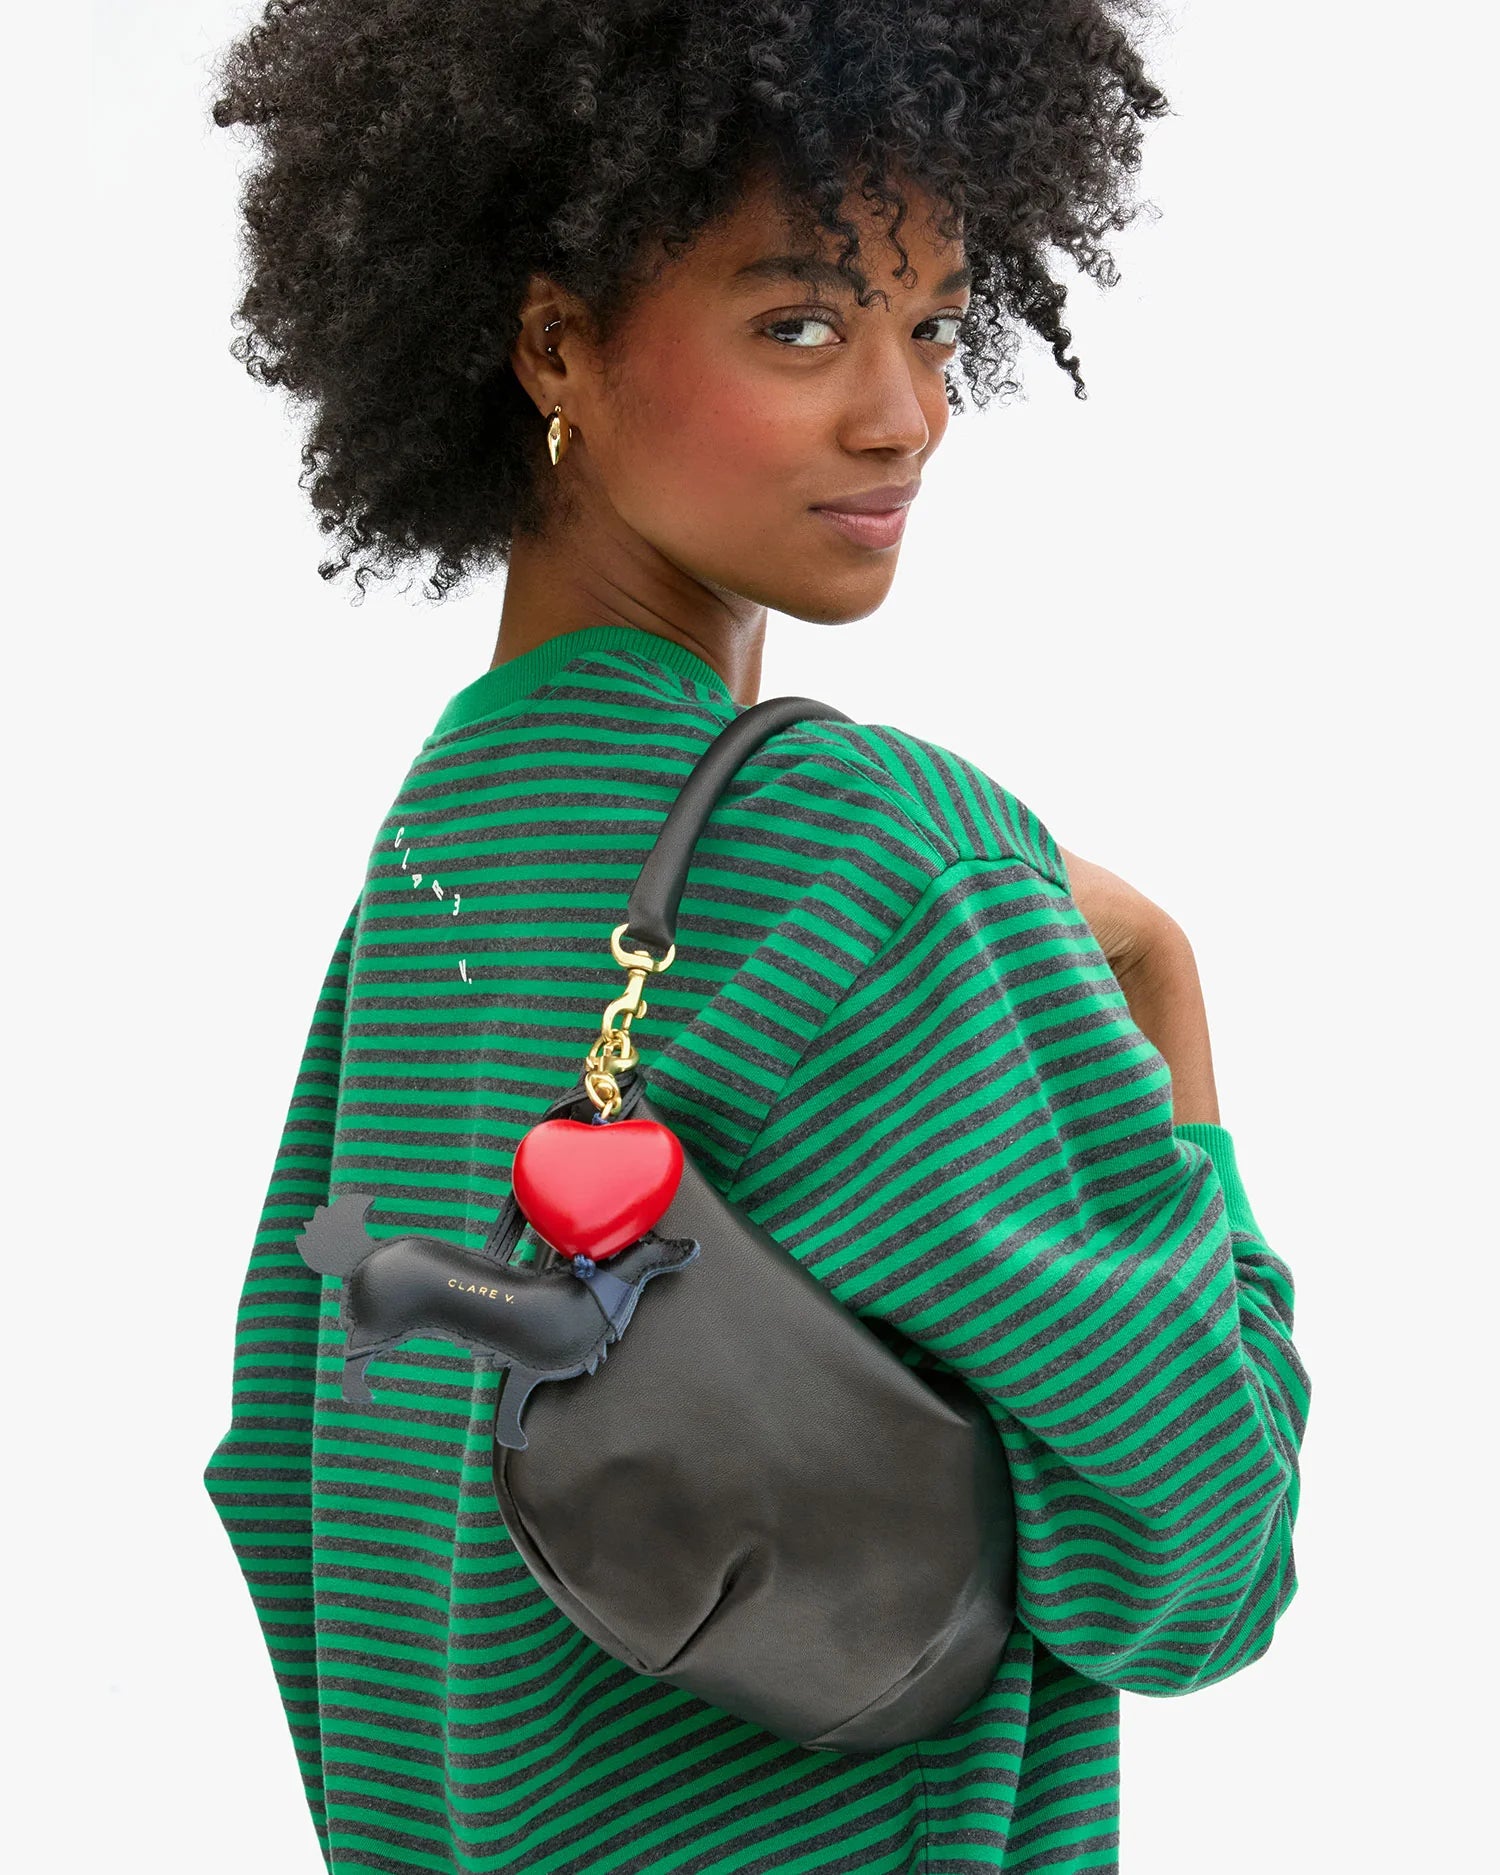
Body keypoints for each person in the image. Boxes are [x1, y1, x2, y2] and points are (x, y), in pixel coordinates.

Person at [201, 3, 1311, 1871]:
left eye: (935, 322)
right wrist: (1170, 1009)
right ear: (553, 338)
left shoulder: (443, 843)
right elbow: (1201, 1565)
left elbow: (288, 1472)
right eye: (800, 323)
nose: (906, 415)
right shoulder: (871, 857)